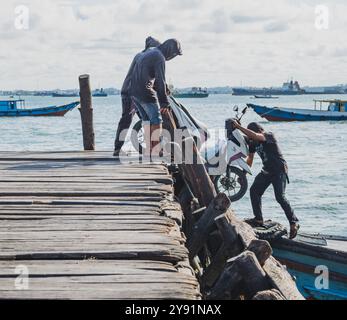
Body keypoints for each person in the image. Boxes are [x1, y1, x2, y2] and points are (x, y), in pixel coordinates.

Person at [231, 120, 300, 239]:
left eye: (253, 135)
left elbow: (254, 135)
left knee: (280, 197)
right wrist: (243, 175)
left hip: (279, 170)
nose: (252, 138)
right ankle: (258, 219)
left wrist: (238, 126)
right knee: (254, 191)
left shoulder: (268, 135)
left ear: (260, 131)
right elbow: (250, 159)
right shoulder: (253, 142)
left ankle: (294, 222)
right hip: (267, 171)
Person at [130, 39, 182, 158]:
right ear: (170, 51)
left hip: (133, 91)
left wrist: (163, 88)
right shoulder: (160, 57)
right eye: (174, 54)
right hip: (145, 91)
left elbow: (146, 74)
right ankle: (156, 150)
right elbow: (160, 80)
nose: (173, 57)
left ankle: (149, 150)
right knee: (157, 120)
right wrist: (164, 103)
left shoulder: (151, 52)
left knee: (147, 120)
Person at [113, 36, 161, 156]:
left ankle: (151, 148)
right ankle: (118, 149)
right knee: (128, 120)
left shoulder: (142, 55)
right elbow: (144, 77)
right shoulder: (144, 56)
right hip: (131, 92)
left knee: (145, 120)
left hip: (132, 90)